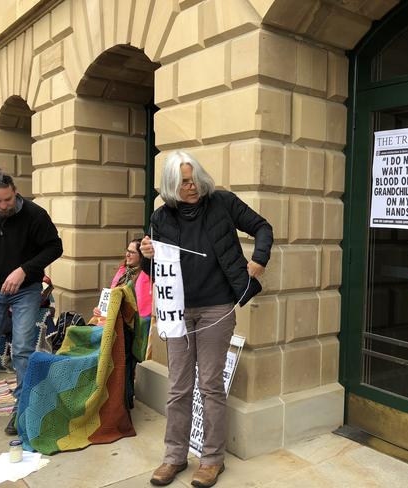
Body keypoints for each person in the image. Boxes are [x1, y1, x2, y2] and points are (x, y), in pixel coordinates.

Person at [141, 150, 273, 488]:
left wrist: (258, 260)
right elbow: (158, 271)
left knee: (210, 385)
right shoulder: (160, 218)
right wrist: (146, 257)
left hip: (217, 308)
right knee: (178, 386)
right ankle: (174, 457)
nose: (192, 186)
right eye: (184, 181)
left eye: (194, 177)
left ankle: (212, 460)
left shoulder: (223, 202)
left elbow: (262, 227)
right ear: (171, 185)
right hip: (178, 311)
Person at [0, 167, 63, 436]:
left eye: (7, 200)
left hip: (26, 289)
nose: (2, 206)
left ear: (15, 192)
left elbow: (55, 247)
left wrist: (24, 270)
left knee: (22, 347)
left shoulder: (34, 214)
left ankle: (21, 407)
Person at [92, 238, 151, 324]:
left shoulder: (146, 277)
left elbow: (142, 309)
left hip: (128, 324)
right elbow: (111, 297)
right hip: (111, 319)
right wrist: (99, 309)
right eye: (127, 251)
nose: (127, 254)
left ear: (141, 256)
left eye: (132, 252)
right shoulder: (123, 271)